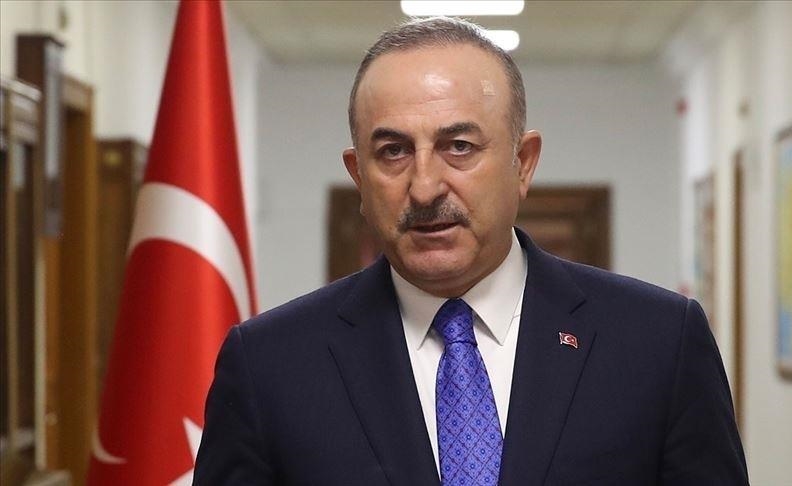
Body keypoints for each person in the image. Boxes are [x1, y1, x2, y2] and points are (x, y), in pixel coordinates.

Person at [193, 17, 748, 485]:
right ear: (358, 176)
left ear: (523, 164)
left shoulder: (659, 344)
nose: (425, 187)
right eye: (393, 152)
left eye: (459, 146)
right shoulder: (270, 366)